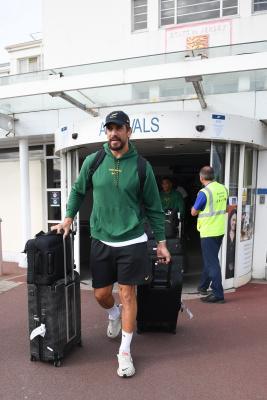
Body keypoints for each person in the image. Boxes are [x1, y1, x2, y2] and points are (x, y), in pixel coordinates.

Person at [52, 110, 170, 378]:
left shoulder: (142, 166)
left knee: (129, 294)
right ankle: (114, 313)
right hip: (102, 239)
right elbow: (78, 191)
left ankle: (125, 352)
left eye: (119, 128)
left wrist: (161, 242)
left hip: (132, 240)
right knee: (101, 295)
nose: (113, 133)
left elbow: (154, 207)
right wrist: (68, 218)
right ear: (106, 132)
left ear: (129, 131)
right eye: (109, 129)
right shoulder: (93, 161)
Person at [191, 166, 228, 303]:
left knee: (212, 263)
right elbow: (225, 208)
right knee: (210, 259)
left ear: (201, 178)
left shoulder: (204, 192)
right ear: (213, 176)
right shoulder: (223, 189)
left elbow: (193, 212)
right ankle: (203, 286)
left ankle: (218, 294)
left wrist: (193, 209)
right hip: (219, 230)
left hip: (208, 232)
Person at [225, 208, 237, 279]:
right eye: (233, 220)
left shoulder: (238, 235)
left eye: (236, 220)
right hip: (225, 269)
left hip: (234, 271)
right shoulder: (225, 234)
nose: (234, 223)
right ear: (229, 220)